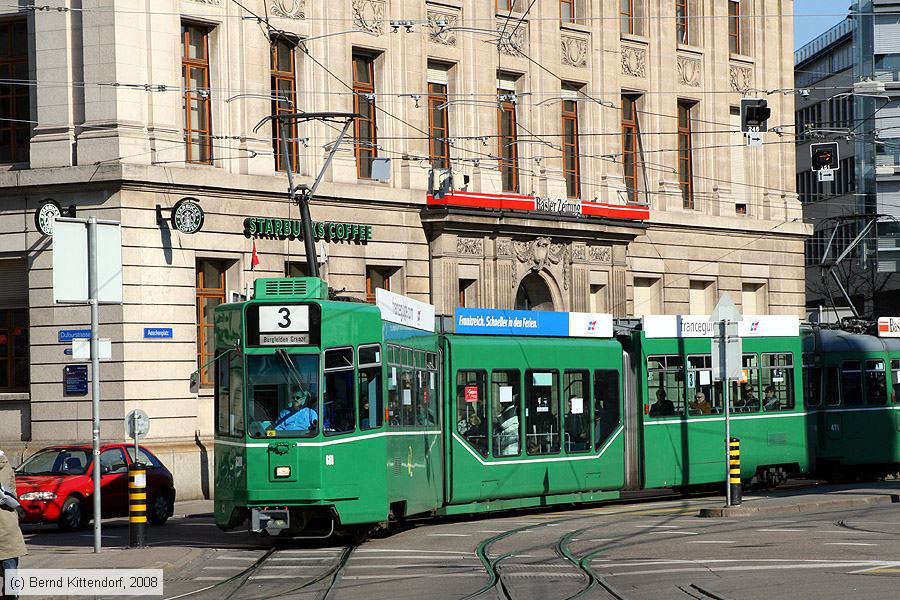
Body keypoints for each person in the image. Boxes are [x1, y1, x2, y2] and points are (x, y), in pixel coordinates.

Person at [1, 449, 26, 600]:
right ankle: (12, 593)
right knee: (9, 558)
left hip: (4, 520)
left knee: (8, 557)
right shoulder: (6, 465)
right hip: (7, 520)